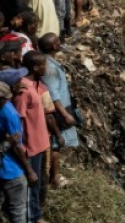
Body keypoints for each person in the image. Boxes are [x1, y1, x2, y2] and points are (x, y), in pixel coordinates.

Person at [14, 51, 60, 223]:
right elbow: (19, 120)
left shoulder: (35, 85)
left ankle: (37, 213)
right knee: (32, 184)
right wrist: (22, 146)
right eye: (43, 64)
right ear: (34, 67)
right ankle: (34, 217)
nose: (45, 67)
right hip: (30, 146)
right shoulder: (24, 90)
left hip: (40, 143)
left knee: (39, 182)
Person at [38, 33, 78, 190]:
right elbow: (53, 94)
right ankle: (54, 178)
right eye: (58, 41)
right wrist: (65, 114)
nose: (60, 43)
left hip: (60, 108)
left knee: (56, 144)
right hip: (58, 110)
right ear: (54, 46)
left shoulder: (48, 63)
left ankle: (53, 175)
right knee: (56, 144)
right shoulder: (50, 68)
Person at [0, 78, 32, 223]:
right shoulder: (10, 114)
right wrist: (29, 170)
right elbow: (17, 148)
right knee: (18, 212)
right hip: (12, 171)